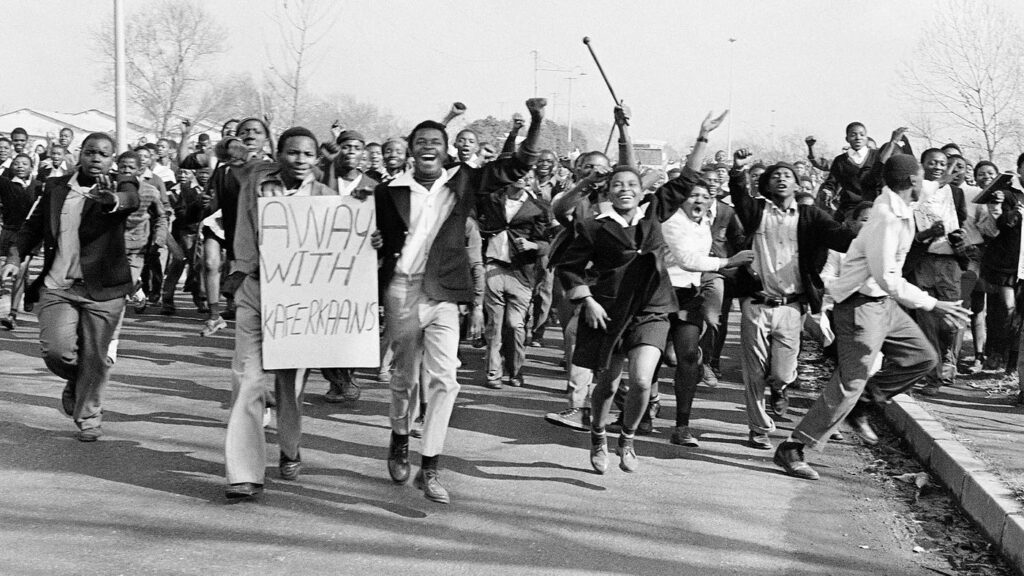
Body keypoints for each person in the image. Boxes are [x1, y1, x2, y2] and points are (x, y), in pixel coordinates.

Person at [375, 98, 546, 504]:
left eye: (436, 140)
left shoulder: (464, 183)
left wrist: (536, 122)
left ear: (445, 149)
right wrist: (376, 243)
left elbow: (517, 165)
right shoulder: (389, 193)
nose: (427, 146)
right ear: (411, 150)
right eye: (420, 141)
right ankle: (400, 438)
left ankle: (430, 466)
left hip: (444, 296)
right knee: (403, 381)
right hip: (403, 294)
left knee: (445, 381)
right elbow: (374, 240)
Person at [775, 154, 970, 480]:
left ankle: (866, 402)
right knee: (850, 382)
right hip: (860, 306)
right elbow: (887, 279)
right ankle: (793, 447)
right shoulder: (885, 219)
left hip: (883, 306)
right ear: (911, 182)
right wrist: (933, 304)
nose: (927, 182)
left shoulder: (902, 202)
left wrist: (945, 178)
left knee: (922, 357)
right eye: (923, 177)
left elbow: (931, 187)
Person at [559, 111, 728, 473]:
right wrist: (586, 300)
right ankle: (599, 436)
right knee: (607, 384)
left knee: (640, 381)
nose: (625, 190)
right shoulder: (593, 227)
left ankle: (629, 438)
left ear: (641, 191)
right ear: (608, 191)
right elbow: (569, 268)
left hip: (652, 309)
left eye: (632, 185)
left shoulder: (653, 215)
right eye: (617, 185)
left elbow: (686, 180)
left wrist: (702, 137)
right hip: (608, 312)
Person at [221, 126, 370, 499]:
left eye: (307, 155)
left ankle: (290, 448)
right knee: (248, 380)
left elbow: (342, 245)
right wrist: (241, 276)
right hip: (256, 291)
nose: (300, 161)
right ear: (280, 155)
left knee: (290, 388)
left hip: (298, 303)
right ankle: (244, 473)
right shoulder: (257, 186)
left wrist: (370, 238)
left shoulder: (325, 196)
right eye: (292, 153)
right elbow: (241, 220)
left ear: (316, 159)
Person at [0, 133, 140, 442]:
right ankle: (77, 380)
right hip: (59, 285)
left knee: (97, 357)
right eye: (90, 152)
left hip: (105, 289)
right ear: (81, 154)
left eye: (104, 154)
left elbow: (131, 200)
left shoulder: (121, 184)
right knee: (57, 352)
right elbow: (31, 228)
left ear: (112, 159)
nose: (96, 158)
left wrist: (111, 200)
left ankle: (89, 417)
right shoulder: (56, 187)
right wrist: (14, 256)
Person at [726, 151, 855, 450]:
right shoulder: (757, 211)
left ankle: (780, 388)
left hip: (791, 306)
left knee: (782, 372)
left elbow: (840, 237)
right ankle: (758, 429)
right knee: (754, 371)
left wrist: (865, 230)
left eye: (788, 176)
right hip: (757, 303)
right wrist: (738, 169)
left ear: (798, 185)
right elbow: (739, 197)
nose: (782, 179)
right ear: (767, 186)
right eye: (775, 176)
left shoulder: (811, 215)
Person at [477, 171, 551, 388]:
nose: (522, 178)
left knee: (516, 325)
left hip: (522, 273)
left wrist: (533, 246)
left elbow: (547, 243)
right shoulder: (492, 199)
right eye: (518, 173)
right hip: (493, 267)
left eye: (527, 175)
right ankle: (493, 373)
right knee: (495, 324)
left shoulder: (538, 207)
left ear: (532, 179)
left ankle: (516, 370)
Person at [909, 148, 968, 396]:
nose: (938, 167)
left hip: (948, 261)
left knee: (950, 321)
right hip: (922, 261)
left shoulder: (954, 191)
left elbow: (961, 222)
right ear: (922, 165)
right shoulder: (914, 189)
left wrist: (960, 237)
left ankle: (947, 359)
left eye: (942, 164)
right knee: (925, 320)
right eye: (932, 162)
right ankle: (932, 377)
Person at [0, 156, 41, 329]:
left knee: (20, 270)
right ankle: (29, 291)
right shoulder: (5, 184)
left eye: (24, 164)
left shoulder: (38, 186)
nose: (20, 167)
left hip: (29, 235)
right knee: (6, 270)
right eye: (16, 164)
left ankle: (12, 313)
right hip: (8, 231)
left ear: (32, 167)